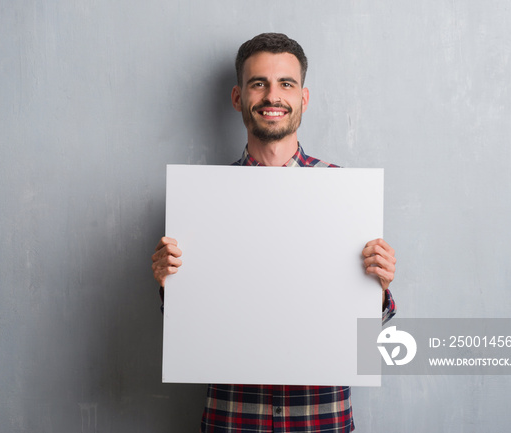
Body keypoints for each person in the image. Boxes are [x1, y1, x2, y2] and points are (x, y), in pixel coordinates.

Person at [151, 33, 397, 433]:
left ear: (303, 98)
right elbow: (191, 325)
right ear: (237, 97)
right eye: (258, 83)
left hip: (321, 418)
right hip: (233, 418)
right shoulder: (201, 200)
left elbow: (370, 331)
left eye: (286, 83)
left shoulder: (346, 194)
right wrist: (169, 284)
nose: (272, 96)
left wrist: (380, 286)